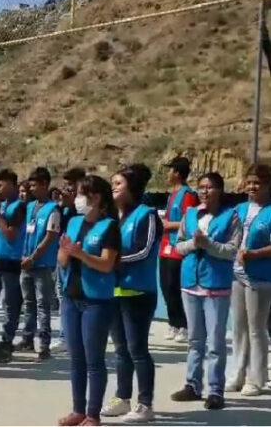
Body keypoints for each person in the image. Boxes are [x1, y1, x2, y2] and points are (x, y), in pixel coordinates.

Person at [170, 172, 239, 411]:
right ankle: (192, 385)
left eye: (209, 187)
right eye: (201, 187)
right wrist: (193, 244)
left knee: (215, 342)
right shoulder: (190, 215)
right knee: (194, 339)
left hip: (216, 285)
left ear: (219, 190)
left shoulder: (231, 217)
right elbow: (178, 246)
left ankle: (216, 390)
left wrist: (208, 245)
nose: (204, 191)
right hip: (190, 283)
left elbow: (232, 250)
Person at [56, 175, 119, 427]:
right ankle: (77, 410)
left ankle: (93, 415)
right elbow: (61, 260)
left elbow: (106, 265)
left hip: (96, 301)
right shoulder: (72, 222)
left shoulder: (109, 226)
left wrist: (80, 254)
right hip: (71, 297)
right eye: (79, 194)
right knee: (76, 358)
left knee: (94, 360)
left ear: (99, 199)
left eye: (85, 195)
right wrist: (66, 252)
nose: (80, 199)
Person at [101, 164, 162, 422]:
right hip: (116, 290)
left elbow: (144, 250)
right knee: (121, 349)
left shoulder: (146, 215)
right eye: (112, 183)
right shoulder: (114, 217)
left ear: (132, 188)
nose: (113, 188)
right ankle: (122, 398)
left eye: (118, 184)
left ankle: (145, 404)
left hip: (138, 291)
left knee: (138, 349)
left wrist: (114, 261)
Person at [226, 164, 271, 396]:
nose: (253, 186)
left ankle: (256, 378)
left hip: (260, 277)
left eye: (258, 183)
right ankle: (238, 373)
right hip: (236, 274)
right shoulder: (239, 208)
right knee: (239, 328)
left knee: (257, 329)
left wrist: (254, 254)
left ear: (268, 185)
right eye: (250, 181)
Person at [19, 167, 60, 360]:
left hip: (41, 265)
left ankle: (44, 344)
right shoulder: (29, 207)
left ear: (45, 184)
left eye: (35, 185)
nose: (31, 189)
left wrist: (33, 257)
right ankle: (27, 339)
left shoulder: (53, 210)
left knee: (43, 305)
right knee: (29, 304)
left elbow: (50, 237)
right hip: (26, 263)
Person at [0, 169, 26, 363]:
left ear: (12, 184)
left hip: (12, 260)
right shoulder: (1, 206)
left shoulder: (19, 206)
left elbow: (10, 233)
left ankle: (7, 340)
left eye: (1, 185)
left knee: (10, 303)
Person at [159, 157, 198, 343]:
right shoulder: (171, 195)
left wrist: (169, 224)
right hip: (165, 246)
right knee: (165, 287)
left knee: (175, 286)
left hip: (177, 246)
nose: (168, 174)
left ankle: (184, 325)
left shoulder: (188, 194)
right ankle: (173, 322)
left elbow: (189, 219)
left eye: (170, 170)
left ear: (177, 173)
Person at [52, 167, 87, 353]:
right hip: (64, 253)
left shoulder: (84, 204)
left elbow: (82, 221)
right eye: (66, 185)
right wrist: (62, 206)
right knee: (62, 295)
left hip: (80, 255)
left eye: (72, 184)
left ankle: (73, 336)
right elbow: (61, 227)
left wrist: (72, 205)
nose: (68, 188)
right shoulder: (66, 208)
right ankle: (66, 336)